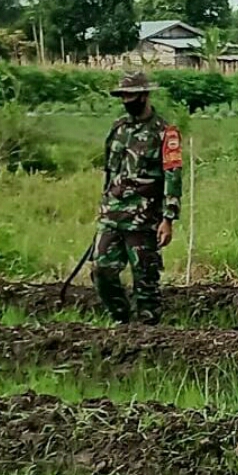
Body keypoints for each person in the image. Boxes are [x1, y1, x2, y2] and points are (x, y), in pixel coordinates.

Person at [92, 71, 183, 324]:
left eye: (130, 96)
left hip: (144, 219)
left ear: (144, 95)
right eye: (122, 96)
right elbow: (110, 171)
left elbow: (173, 176)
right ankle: (122, 322)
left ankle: (147, 333)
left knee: (145, 281)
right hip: (112, 215)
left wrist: (168, 219)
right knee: (102, 270)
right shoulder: (118, 129)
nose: (126, 101)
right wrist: (104, 205)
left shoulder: (165, 132)